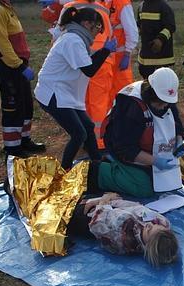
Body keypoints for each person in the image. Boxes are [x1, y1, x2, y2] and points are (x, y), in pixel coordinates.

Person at [35, 7, 116, 170]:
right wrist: (106, 50)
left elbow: (87, 63)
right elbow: (89, 70)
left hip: (66, 94)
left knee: (88, 126)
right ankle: (64, 171)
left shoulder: (78, 40)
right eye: (98, 28)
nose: (98, 33)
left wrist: (102, 52)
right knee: (79, 134)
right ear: (86, 24)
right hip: (54, 93)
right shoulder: (72, 40)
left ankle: (97, 163)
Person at [95, 68, 183, 198]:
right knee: (144, 188)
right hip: (123, 148)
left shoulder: (165, 99)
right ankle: (100, 171)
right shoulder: (132, 105)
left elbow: (177, 124)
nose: (165, 106)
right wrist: (155, 161)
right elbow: (125, 148)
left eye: (168, 103)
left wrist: (179, 141)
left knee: (167, 181)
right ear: (151, 94)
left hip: (150, 148)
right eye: (161, 103)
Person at [0, 0, 46, 158]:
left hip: (17, 64)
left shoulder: (5, 6)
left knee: (25, 106)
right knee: (13, 108)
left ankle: (24, 140)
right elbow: (0, 42)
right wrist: (18, 65)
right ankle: (12, 148)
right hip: (9, 66)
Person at [57, 0, 116, 151]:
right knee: (99, 104)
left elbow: (58, 36)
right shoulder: (102, 10)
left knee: (79, 102)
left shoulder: (70, 8)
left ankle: (86, 139)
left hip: (78, 65)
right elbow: (110, 36)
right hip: (101, 63)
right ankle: (98, 142)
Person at [67, 192, 179, 266]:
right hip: (110, 208)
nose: (149, 224)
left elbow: (97, 220)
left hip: (85, 216)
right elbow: (141, 210)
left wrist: (104, 199)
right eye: (156, 225)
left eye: (149, 230)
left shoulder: (121, 229)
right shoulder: (158, 228)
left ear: (147, 246)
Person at [108, 0, 140, 99]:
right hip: (106, 57)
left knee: (123, 92)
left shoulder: (121, 3)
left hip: (119, 56)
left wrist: (127, 53)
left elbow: (132, 32)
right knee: (108, 92)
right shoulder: (104, 2)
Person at [137, 0, 176, 79]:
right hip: (145, 57)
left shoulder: (164, 7)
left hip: (162, 57)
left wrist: (160, 39)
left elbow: (170, 27)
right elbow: (139, 24)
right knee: (147, 84)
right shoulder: (141, 7)